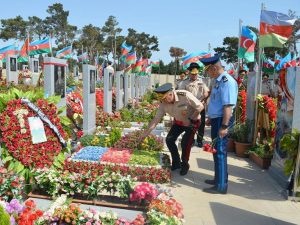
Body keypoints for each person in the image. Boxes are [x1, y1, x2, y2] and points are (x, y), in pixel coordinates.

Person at [139, 83, 204, 175]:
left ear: (171, 93)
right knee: (169, 140)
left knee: (185, 143)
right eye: (162, 99)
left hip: (192, 121)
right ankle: (176, 162)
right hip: (179, 122)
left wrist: (191, 119)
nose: (164, 101)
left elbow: (200, 106)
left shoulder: (184, 95)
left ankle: (185, 164)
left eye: (165, 98)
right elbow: (156, 119)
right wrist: (145, 134)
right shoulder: (163, 103)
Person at [200, 54, 238, 194]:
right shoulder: (218, 81)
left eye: (208, 70)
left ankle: (221, 186)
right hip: (217, 119)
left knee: (220, 152)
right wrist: (211, 117)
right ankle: (218, 179)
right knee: (215, 152)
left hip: (223, 120)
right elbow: (216, 102)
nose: (208, 74)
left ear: (215, 68)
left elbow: (228, 106)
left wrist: (224, 126)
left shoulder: (226, 81)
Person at [178, 62, 209, 147]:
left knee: (201, 124)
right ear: (190, 73)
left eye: (196, 74)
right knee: (189, 124)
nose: (194, 76)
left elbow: (206, 92)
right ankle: (190, 139)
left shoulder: (202, 81)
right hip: (189, 107)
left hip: (200, 106)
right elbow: (181, 94)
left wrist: (202, 100)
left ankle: (199, 140)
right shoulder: (184, 83)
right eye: (193, 74)